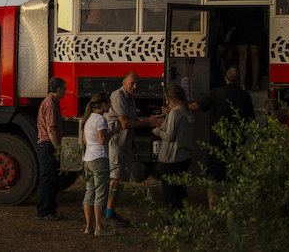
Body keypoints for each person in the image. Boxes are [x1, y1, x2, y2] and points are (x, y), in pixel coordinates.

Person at [189, 67, 255, 208]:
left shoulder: (217, 92)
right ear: (239, 80)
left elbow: (196, 106)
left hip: (218, 142)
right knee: (234, 177)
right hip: (238, 143)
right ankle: (233, 207)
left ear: (225, 79)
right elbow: (250, 120)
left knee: (213, 178)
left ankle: (214, 208)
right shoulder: (245, 96)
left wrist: (177, 109)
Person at [105, 72, 163, 227]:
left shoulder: (129, 98)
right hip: (116, 142)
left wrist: (150, 121)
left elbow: (132, 120)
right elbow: (125, 123)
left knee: (119, 178)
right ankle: (108, 213)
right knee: (115, 178)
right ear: (124, 83)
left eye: (137, 84)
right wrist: (149, 123)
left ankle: (110, 211)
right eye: (132, 83)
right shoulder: (118, 96)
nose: (135, 87)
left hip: (124, 142)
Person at [82, 92, 122, 236]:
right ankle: (99, 227)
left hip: (88, 158)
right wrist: (113, 131)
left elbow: (86, 141)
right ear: (103, 104)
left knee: (89, 192)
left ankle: (89, 226)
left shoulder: (87, 119)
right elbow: (102, 140)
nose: (110, 106)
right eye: (108, 103)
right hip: (99, 158)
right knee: (100, 193)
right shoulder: (100, 120)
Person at [152, 85, 195, 216]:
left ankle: (172, 223)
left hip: (172, 158)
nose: (167, 102)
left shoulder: (175, 113)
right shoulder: (187, 112)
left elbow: (169, 135)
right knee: (180, 191)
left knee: (170, 194)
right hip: (184, 157)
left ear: (173, 98)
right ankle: (181, 220)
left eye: (168, 99)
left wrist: (157, 131)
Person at [35, 77, 67, 220]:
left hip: (47, 145)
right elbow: (51, 129)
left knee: (52, 179)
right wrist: (58, 148)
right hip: (48, 145)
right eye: (64, 88)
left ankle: (50, 209)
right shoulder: (51, 104)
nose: (65, 91)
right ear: (58, 89)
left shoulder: (51, 102)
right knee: (48, 179)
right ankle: (44, 211)